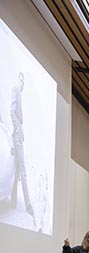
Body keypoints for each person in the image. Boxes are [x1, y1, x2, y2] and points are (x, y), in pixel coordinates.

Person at [10, 72, 33, 216]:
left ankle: (13, 200)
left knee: (18, 169)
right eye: (22, 79)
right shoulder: (15, 89)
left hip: (19, 134)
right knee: (22, 169)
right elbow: (12, 111)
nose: (23, 83)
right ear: (19, 79)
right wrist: (17, 128)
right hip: (17, 134)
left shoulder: (19, 92)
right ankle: (28, 204)